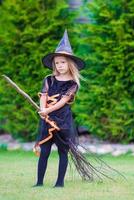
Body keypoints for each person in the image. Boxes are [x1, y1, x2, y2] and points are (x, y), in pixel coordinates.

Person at [33, 30, 85, 188]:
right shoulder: (48, 79)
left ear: (70, 63)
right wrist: (43, 110)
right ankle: (39, 182)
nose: (60, 65)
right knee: (45, 152)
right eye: (57, 63)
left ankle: (59, 183)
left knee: (63, 152)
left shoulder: (73, 84)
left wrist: (48, 111)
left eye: (63, 62)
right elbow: (43, 95)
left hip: (63, 122)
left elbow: (63, 101)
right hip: (47, 121)